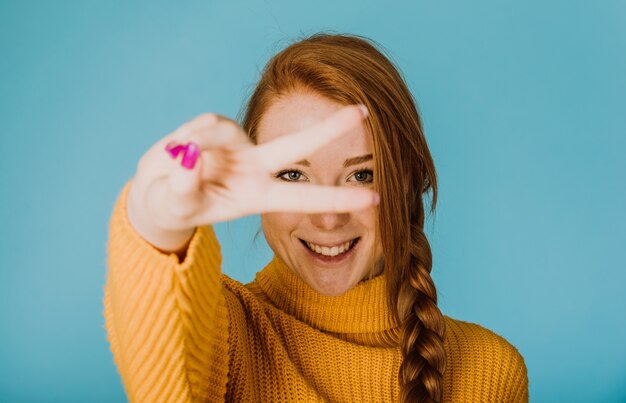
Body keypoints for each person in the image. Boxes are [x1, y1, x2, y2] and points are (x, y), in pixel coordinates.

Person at [104, 33, 528, 402]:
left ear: (407, 182)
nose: (328, 217)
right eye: (292, 175)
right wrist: (157, 221)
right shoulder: (227, 334)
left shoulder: (490, 371)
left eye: (362, 174)